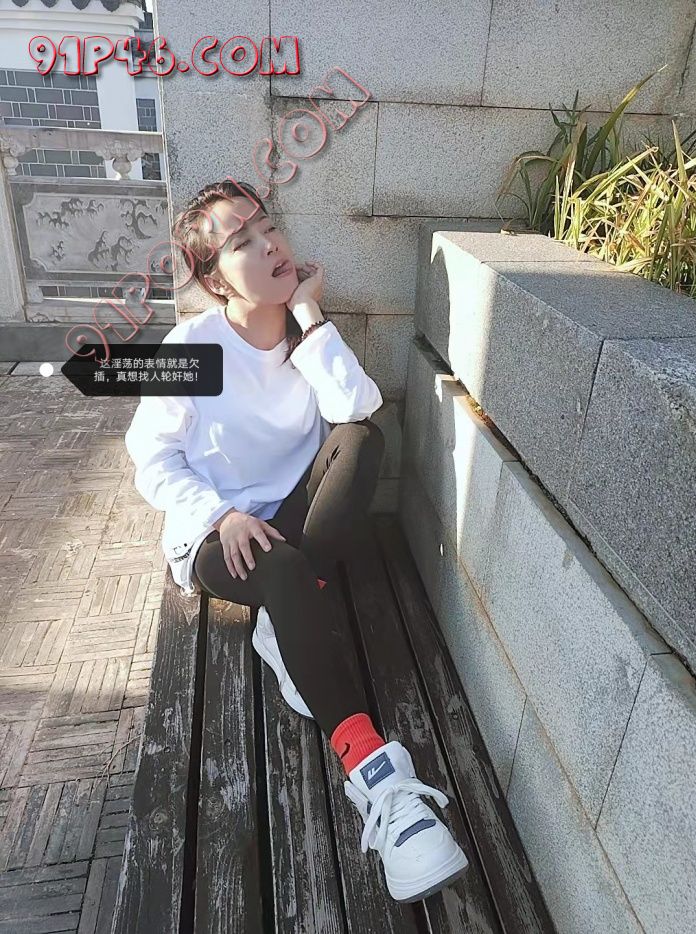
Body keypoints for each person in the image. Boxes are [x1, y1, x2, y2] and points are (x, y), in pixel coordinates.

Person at [124, 178, 469, 903]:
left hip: (291, 519)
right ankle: (377, 777)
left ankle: (284, 624)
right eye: (241, 241)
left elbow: (357, 410)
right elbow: (150, 458)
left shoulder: (304, 336)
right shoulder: (193, 345)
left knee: (363, 441)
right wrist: (219, 515)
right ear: (217, 280)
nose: (270, 244)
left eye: (268, 227)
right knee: (281, 570)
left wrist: (310, 315)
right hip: (220, 537)